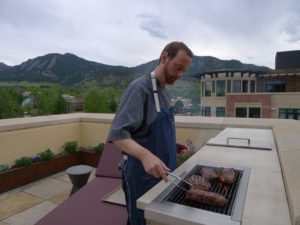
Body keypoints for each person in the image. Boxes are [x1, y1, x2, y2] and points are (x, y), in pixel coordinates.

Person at [107, 41, 193, 225]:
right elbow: (118, 135)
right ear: (164, 58)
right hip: (141, 176)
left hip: (163, 173)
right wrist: (146, 155)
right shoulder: (139, 89)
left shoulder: (165, 93)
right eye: (178, 68)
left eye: (183, 71)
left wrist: (172, 145)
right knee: (140, 221)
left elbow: (149, 131)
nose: (180, 75)